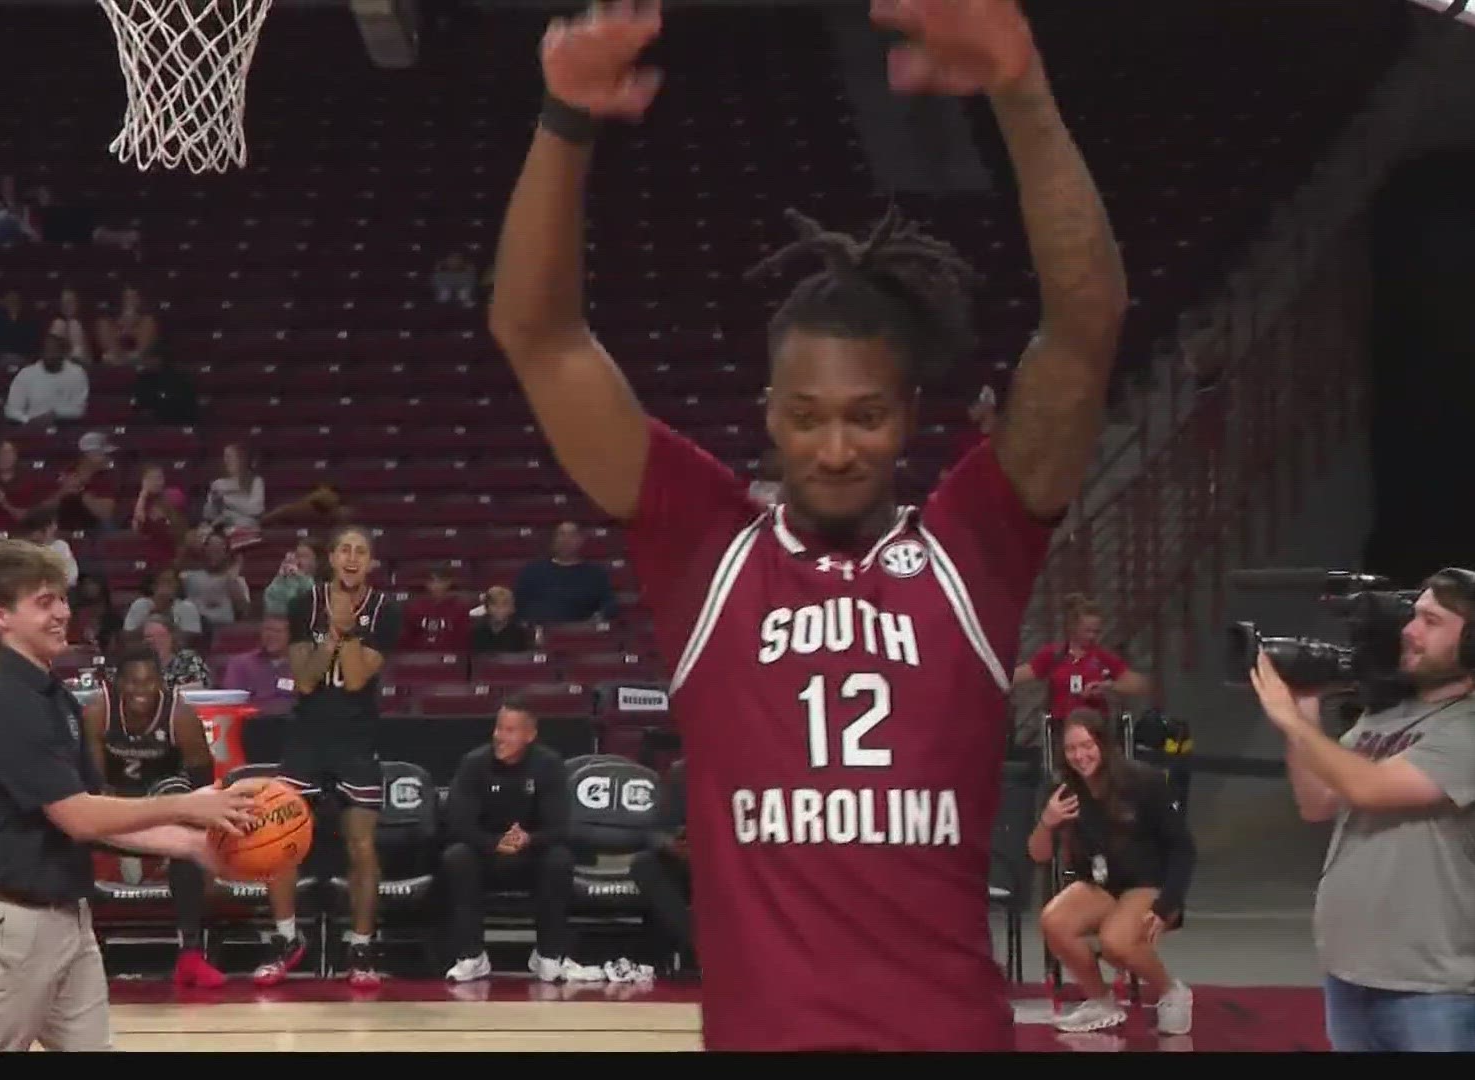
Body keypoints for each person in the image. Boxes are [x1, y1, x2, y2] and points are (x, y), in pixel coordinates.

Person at [486, 0, 1127, 1050]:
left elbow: (1086, 323)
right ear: (769, 418)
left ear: (910, 418)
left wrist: (1022, 91)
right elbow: (538, 333)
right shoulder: (705, 544)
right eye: (809, 417)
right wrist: (564, 121)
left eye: (867, 416)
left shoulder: (975, 543)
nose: (837, 448)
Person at [0, 539, 263, 1052]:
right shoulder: (1, 702)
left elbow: (103, 812)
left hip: (68, 920)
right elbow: (78, 818)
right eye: (44, 602)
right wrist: (188, 804)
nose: (61, 614)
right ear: (0, 617)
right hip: (11, 927)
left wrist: (194, 847)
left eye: (62, 600)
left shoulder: (59, 700)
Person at [1252, 567, 1475, 1052]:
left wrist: (1287, 721)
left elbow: (1370, 788)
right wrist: (1305, 710)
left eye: (1431, 621)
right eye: (1413, 616)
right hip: (1351, 977)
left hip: (1433, 990)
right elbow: (1317, 802)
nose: (1408, 630)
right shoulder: (1386, 716)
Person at [255, 524, 402, 989]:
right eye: (345, 549)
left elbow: (357, 680)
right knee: (280, 843)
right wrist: (331, 634)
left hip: (356, 738)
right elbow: (304, 679)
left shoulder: (385, 611)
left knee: (362, 846)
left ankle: (360, 947)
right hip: (307, 735)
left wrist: (350, 629)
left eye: (362, 551)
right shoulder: (303, 604)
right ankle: (285, 942)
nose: (353, 557)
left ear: (371, 561)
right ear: (333, 558)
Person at [1028, 708, 1194, 1035]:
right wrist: (1047, 822)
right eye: (1072, 749)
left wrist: (1167, 904)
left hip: (1149, 883)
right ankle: (1100, 1001)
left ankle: (1172, 992)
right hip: (1101, 883)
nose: (1080, 755)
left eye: (1087, 745)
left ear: (1103, 744)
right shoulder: (1063, 790)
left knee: (1115, 942)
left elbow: (1183, 849)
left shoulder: (1142, 781)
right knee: (1053, 920)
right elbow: (1038, 854)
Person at [81, 645, 225, 989]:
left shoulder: (181, 717)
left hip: (165, 799)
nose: (140, 691)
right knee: (68, 836)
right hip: (116, 799)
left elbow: (202, 787)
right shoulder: (99, 712)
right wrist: (117, 820)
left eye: (148, 683)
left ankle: (190, 954)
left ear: (161, 683)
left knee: (187, 844)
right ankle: (77, 951)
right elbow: (94, 785)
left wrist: (195, 834)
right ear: (118, 683)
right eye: (132, 683)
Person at [441, 702, 580, 983]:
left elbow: (561, 827)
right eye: (498, 728)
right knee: (456, 856)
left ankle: (548, 955)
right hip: (486, 852)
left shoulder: (549, 764)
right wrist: (494, 843)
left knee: (560, 859)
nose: (499, 736)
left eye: (510, 730)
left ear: (530, 735)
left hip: (533, 853)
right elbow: (457, 824)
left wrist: (530, 838)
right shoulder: (474, 763)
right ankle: (472, 956)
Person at [1013, 593, 1149, 727]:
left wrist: (1109, 686)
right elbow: (1022, 674)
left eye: (1096, 632)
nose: (1092, 636)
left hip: (1095, 725)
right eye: (1087, 631)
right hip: (1061, 725)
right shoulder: (1053, 654)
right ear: (1073, 628)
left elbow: (1139, 685)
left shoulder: (1102, 656)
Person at [629, 757, 692, 973]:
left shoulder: (749, 769)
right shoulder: (683, 771)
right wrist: (672, 846)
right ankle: (697, 944)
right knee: (645, 864)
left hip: (736, 863)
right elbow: (655, 831)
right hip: (691, 858)